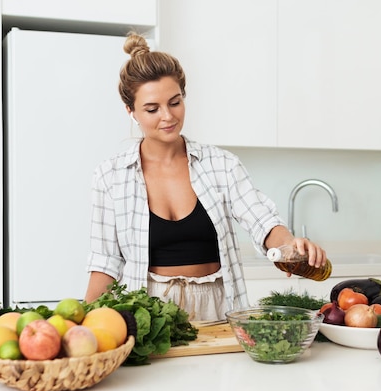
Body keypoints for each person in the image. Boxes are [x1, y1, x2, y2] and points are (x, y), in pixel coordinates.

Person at [84, 32, 327, 321]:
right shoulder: (111, 176)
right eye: (152, 109)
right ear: (131, 111)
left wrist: (290, 246)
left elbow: (262, 220)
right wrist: (84, 322)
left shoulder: (221, 165)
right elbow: (105, 262)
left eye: (175, 102)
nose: (167, 116)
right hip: (150, 313)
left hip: (218, 306)